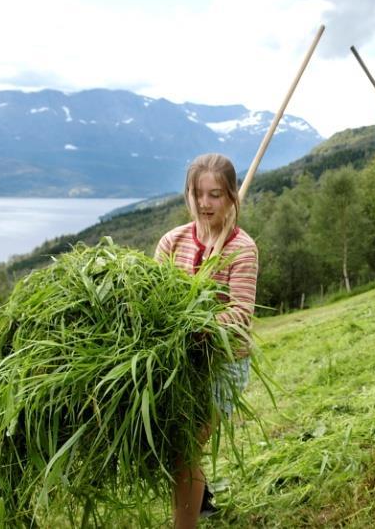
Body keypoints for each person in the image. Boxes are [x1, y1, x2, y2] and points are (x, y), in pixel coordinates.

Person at [154, 153, 258, 527]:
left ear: (231, 196)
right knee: (172, 444)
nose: (204, 203)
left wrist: (197, 325)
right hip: (180, 362)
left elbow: (240, 313)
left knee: (184, 447)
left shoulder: (241, 248)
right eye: (198, 193)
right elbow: (154, 301)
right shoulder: (172, 242)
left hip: (224, 363)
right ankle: (202, 497)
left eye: (215, 194)